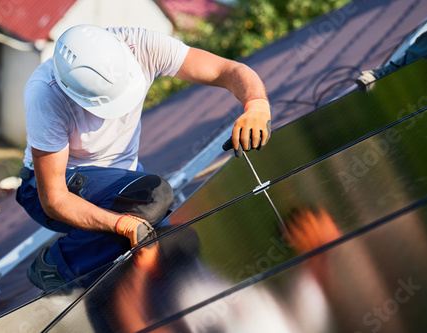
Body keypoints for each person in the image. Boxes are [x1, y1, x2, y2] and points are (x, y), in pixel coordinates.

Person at [16, 24, 271, 293]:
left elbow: (227, 70)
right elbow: (54, 199)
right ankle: (56, 264)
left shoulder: (140, 45)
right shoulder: (46, 93)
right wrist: (119, 223)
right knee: (154, 197)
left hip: (124, 185)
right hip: (49, 189)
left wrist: (256, 105)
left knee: (171, 252)